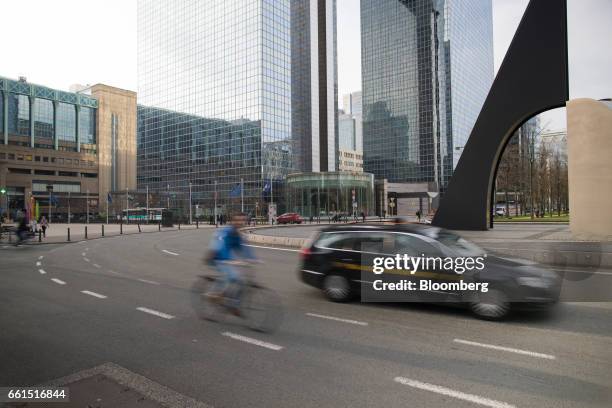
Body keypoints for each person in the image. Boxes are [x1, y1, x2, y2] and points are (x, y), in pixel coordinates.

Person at [205, 213, 256, 316]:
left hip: (226, 260)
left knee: (241, 282)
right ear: (232, 221)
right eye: (237, 220)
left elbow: (244, 248)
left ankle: (234, 305)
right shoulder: (224, 231)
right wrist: (226, 259)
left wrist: (252, 259)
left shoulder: (238, 235)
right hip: (216, 257)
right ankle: (213, 294)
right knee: (231, 276)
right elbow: (219, 244)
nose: (240, 222)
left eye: (242, 220)